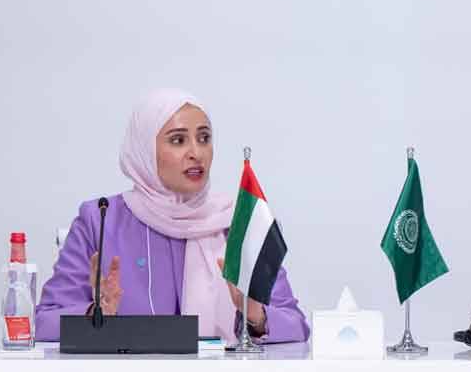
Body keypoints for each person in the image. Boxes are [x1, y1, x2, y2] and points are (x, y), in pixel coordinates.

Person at [35, 89, 309, 343]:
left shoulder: (239, 222)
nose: (196, 153)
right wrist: (95, 315)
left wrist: (255, 316)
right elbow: (45, 322)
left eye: (204, 138)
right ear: (144, 150)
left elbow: (295, 325)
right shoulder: (101, 219)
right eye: (178, 140)